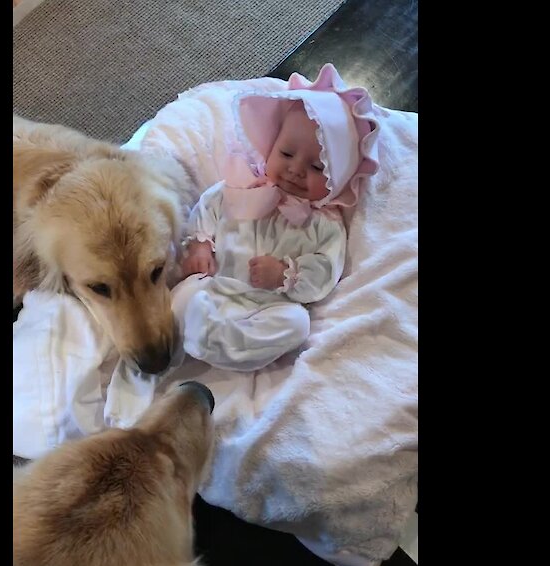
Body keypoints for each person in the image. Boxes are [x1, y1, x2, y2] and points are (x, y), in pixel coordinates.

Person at [104, 62, 380, 425]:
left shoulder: (323, 226)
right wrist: (200, 244)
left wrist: (285, 274)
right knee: (180, 299)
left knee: (297, 324)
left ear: (336, 178)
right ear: (270, 147)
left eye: (316, 167)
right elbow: (205, 211)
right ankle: (126, 404)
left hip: (263, 307)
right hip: (214, 287)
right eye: (286, 154)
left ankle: (214, 344)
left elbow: (324, 272)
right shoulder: (240, 188)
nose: (296, 169)